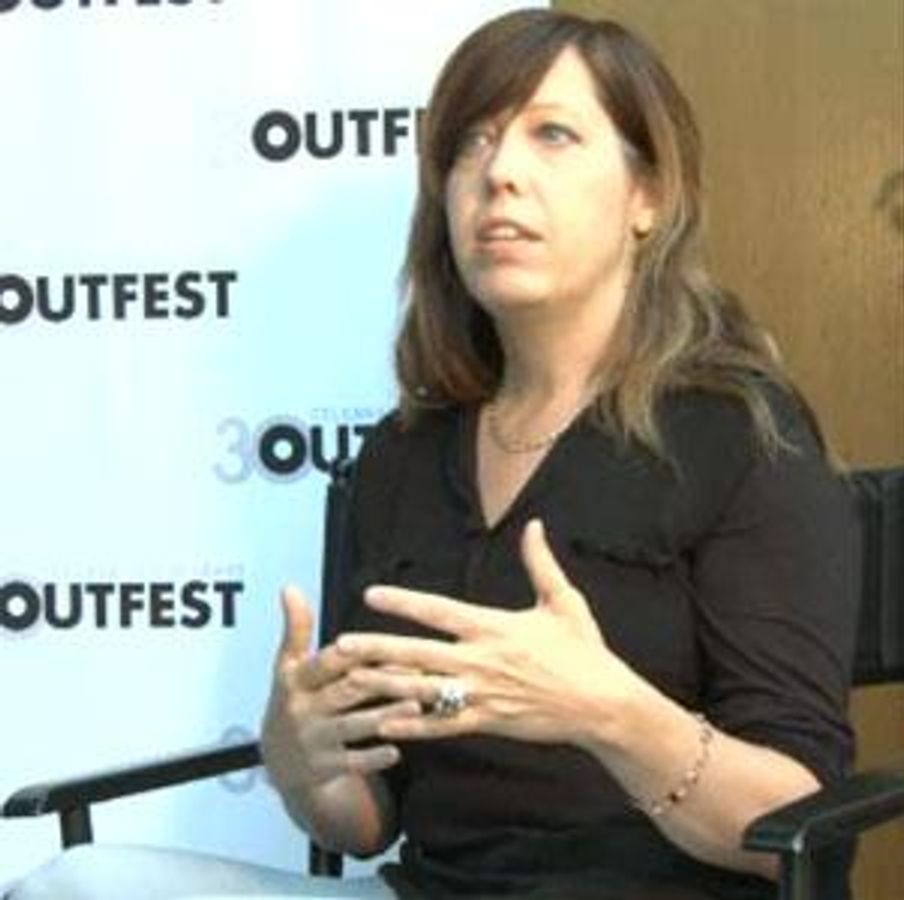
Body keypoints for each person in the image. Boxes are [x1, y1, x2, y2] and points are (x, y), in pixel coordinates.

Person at [8, 8, 857, 900]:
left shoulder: (741, 433)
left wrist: (608, 712)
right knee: (77, 883)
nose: (500, 173)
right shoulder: (402, 457)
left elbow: (795, 831)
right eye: (471, 145)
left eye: (553, 135)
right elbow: (369, 817)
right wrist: (304, 761)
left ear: (647, 195)